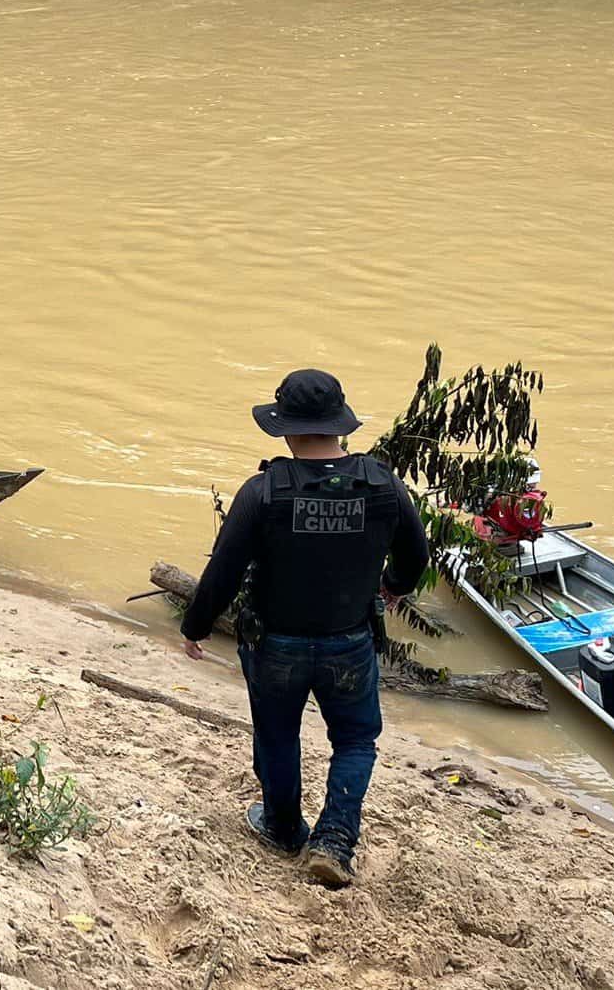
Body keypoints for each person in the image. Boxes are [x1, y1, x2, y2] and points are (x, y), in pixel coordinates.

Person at [180, 369, 428, 887]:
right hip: (350, 643)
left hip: (275, 644)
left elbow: (224, 569)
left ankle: (283, 827)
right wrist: (395, 585)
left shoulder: (263, 492)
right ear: (340, 424)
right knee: (355, 740)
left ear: (286, 429)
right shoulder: (384, 485)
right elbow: (416, 554)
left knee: (277, 735)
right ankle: (334, 840)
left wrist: (196, 626)